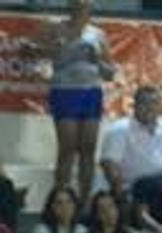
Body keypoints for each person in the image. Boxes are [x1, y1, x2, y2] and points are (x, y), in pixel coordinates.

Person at [36, 0, 113, 197]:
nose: (80, 8)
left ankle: (85, 201)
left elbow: (110, 73)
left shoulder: (98, 34)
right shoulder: (56, 27)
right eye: (76, 5)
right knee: (68, 147)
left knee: (88, 148)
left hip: (91, 92)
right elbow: (29, 48)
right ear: (69, 6)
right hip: (65, 90)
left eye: (85, 5)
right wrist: (54, 49)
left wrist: (98, 60)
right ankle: (61, 198)